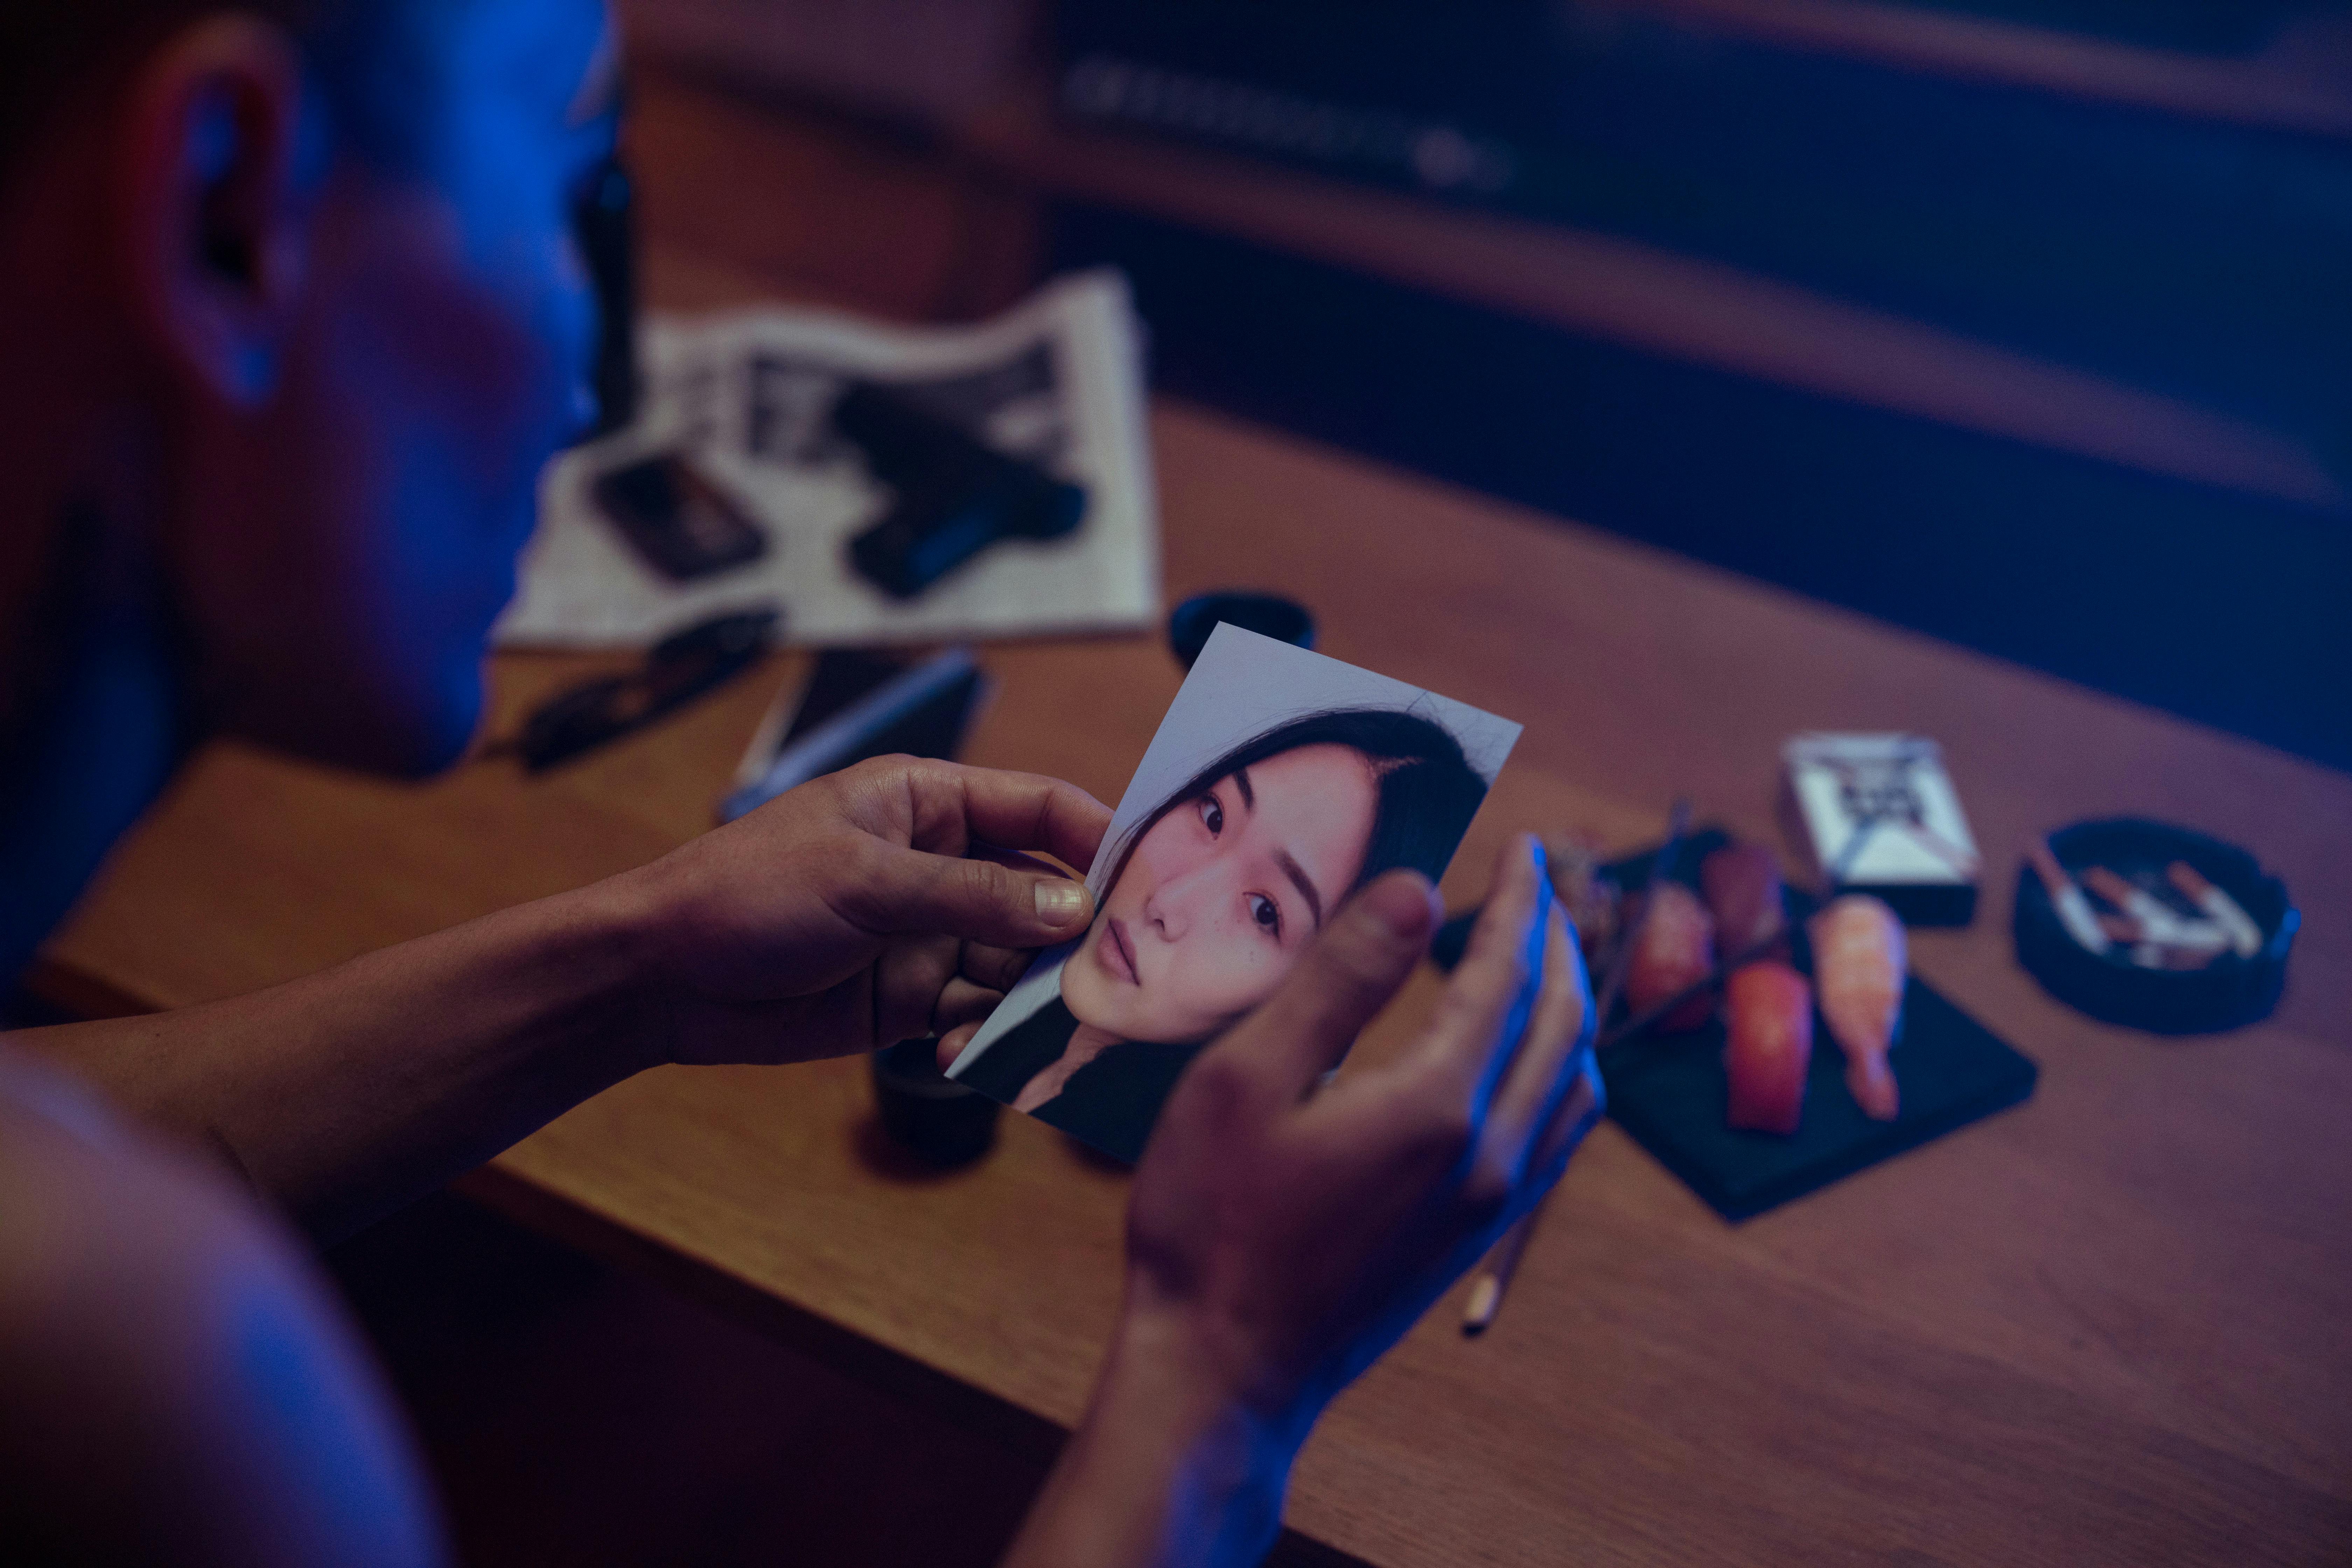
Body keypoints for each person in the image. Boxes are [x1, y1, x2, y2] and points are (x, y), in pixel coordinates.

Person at [0, 4, 1605, 1567]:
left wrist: (634, 970)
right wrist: (1224, 1379)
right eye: (568, 193)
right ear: (225, 208)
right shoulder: (140, 1365)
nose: (598, 387)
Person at [951, 708, 1489, 1162]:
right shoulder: (1059, 1030)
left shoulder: (1187, 1162)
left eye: (1264, 912)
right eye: (1212, 815)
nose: (1167, 902)